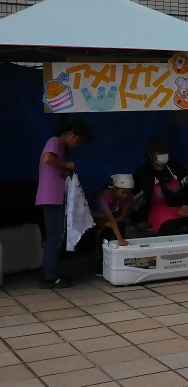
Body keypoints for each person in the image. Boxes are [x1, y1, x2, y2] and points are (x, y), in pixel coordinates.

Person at [35, 120, 92, 288]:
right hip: (50, 197)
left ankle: (51, 272)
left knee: (56, 236)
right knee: (54, 237)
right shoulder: (55, 141)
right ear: (71, 134)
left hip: (55, 197)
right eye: (79, 141)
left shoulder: (59, 147)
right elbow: (47, 158)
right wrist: (66, 164)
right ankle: (49, 276)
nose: (77, 145)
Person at [132, 138, 188, 236]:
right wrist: (139, 219)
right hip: (158, 209)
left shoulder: (176, 167)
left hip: (181, 206)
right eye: (159, 152)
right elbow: (138, 198)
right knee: (169, 226)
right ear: (150, 154)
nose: (164, 154)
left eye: (165, 152)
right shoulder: (143, 173)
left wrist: (186, 204)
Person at [89, 174, 132, 274]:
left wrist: (114, 222)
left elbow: (123, 216)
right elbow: (109, 218)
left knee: (120, 225)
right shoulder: (103, 197)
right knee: (104, 230)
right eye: (123, 192)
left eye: (128, 193)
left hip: (113, 217)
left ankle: (119, 260)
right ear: (115, 189)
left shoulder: (127, 198)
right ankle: (100, 264)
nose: (125, 195)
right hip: (96, 216)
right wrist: (120, 239)